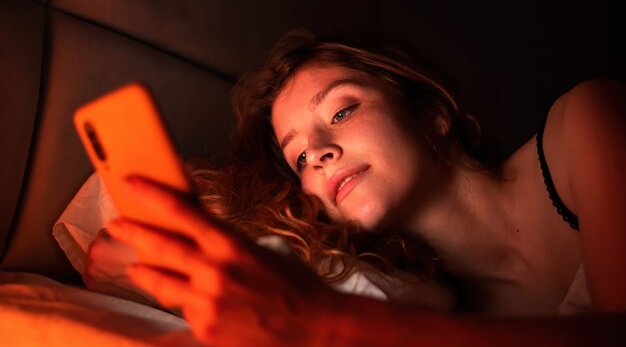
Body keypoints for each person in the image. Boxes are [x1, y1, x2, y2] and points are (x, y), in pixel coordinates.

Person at [90, 30, 625, 345]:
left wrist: (326, 324)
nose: (318, 152)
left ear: (431, 113)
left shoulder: (586, 124)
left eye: (342, 110)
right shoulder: (439, 312)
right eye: (298, 156)